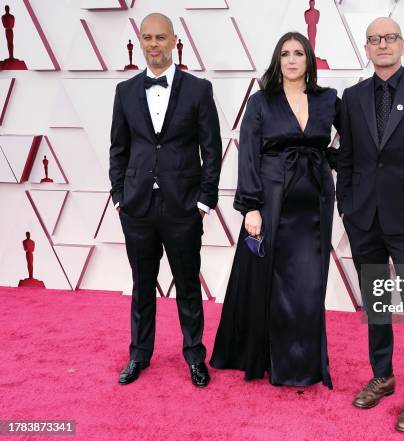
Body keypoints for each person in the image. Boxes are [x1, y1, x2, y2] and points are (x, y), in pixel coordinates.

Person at [210, 31, 340, 388]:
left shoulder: (328, 99)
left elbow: (349, 146)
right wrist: (251, 207)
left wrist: (331, 159)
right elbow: (248, 153)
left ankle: (304, 362)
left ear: (309, 59)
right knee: (271, 280)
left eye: (299, 53)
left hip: (315, 200)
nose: (293, 60)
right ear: (277, 60)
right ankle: (272, 360)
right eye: (286, 54)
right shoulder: (261, 101)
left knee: (309, 283)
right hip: (271, 198)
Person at [337, 17, 404, 432]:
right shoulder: (352, 97)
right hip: (363, 219)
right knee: (377, 306)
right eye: (373, 40)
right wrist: (346, 206)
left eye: (389, 38)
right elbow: (346, 158)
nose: (381, 45)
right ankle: (382, 377)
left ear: (403, 44)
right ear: (366, 49)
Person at [108, 13, 222, 387]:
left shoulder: (198, 89)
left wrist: (204, 203)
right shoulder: (124, 91)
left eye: (160, 37)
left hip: (183, 207)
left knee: (188, 284)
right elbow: (118, 149)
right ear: (140, 42)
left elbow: (212, 149)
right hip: (137, 207)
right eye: (146, 38)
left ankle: (194, 357)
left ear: (174, 41)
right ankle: (138, 355)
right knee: (142, 285)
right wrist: (119, 198)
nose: (153, 44)